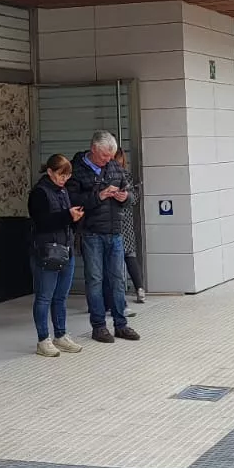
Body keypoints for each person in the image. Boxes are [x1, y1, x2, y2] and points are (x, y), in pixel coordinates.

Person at [69, 131, 140, 343]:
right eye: (104, 156)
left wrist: (124, 197)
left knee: (118, 279)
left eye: (110, 156)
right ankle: (98, 326)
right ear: (93, 150)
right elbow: (72, 199)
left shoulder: (114, 167)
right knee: (95, 280)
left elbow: (131, 196)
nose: (108, 160)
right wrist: (98, 196)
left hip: (115, 231)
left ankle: (121, 324)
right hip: (91, 232)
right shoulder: (78, 170)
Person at [29, 154, 85, 357]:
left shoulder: (63, 191)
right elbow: (42, 222)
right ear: (50, 172)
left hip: (65, 247)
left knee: (61, 296)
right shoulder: (39, 193)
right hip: (46, 250)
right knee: (45, 296)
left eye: (67, 176)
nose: (64, 179)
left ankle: (60, 335)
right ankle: (43, 339)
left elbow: (65, 221)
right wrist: (67, 216)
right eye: (61, 175)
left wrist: (74, 218)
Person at [114, 149, 147, 305]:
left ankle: (139, 288)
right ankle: (136, 290)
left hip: (123, 221)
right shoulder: (121, 176)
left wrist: (125, 197)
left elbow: (135, 198)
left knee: (129, 256)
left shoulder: (125, 176)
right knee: (127, 256)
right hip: (117, 221)